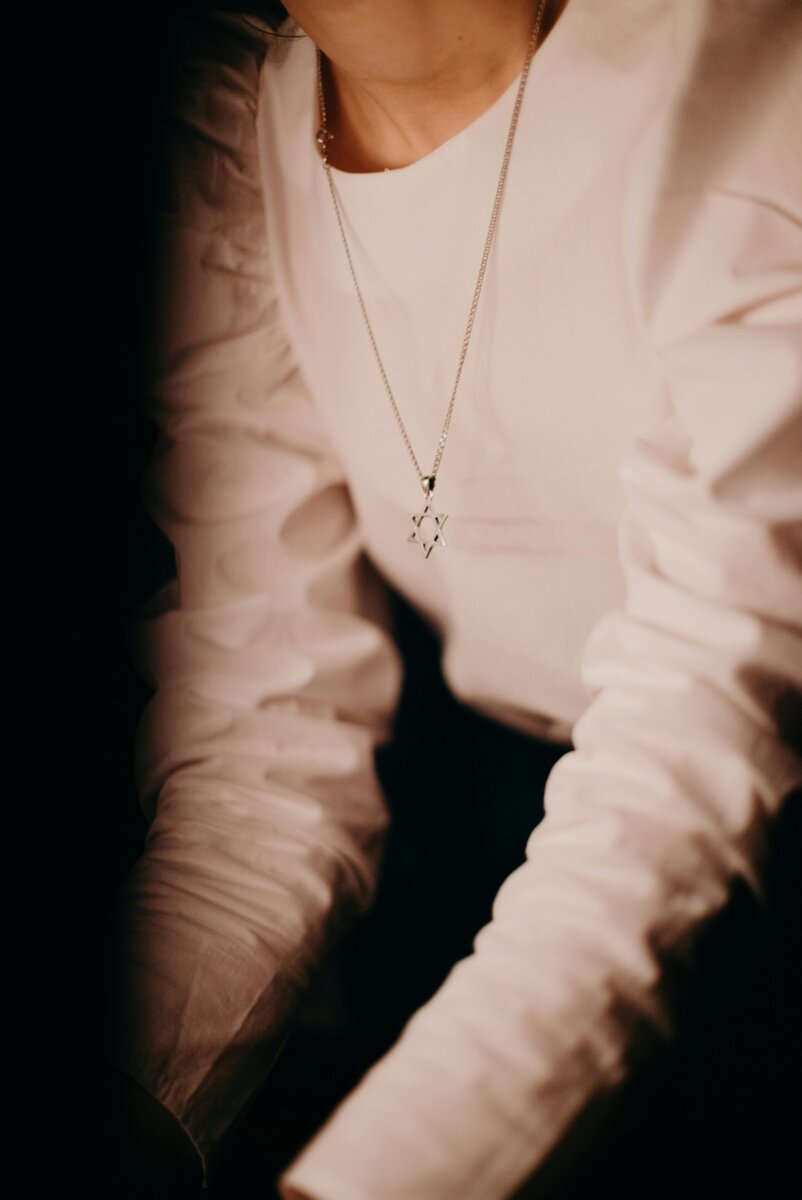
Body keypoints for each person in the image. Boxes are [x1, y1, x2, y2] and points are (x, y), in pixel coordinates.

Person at [105, 1, 802, 1197]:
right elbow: (267, 744)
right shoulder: (227, 122)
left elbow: (698, 754)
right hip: (493, 823)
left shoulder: (738, 71)